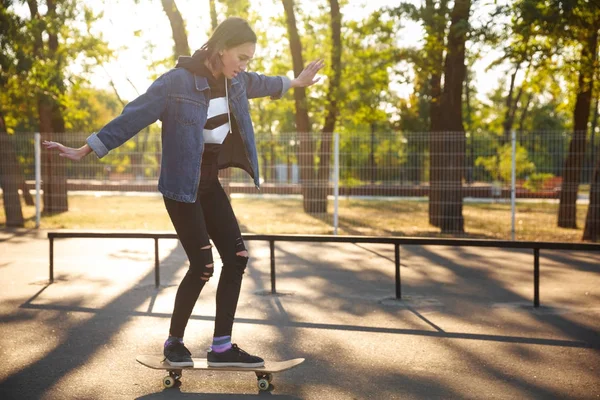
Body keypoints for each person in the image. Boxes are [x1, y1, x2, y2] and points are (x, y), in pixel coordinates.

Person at [43, 17, 324, 368]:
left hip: (209, 185)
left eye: (249, 59)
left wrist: (294, 82)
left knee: (236, 259)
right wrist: (87, 148)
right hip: (181, 189)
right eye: (241, 57)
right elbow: (133, 116)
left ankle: (221, 347)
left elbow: (262, 82)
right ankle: (174, 342)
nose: (244, 65)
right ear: (221, 50)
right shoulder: (175, 83)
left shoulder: (234, 83)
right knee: (203, 265)